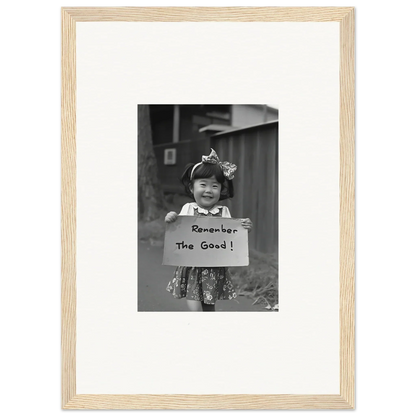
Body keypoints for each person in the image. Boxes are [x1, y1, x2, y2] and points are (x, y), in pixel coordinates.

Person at [165, 148, 252, 312]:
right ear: (192, 188)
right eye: (203, 184)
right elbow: (178, 229)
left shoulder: (223, 212)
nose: (208, 190)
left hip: (214, 266)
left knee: (209, 304)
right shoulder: (188, 208)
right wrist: (171, 218)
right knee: (195, 303)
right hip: (192, 265)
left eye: (215, 186)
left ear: (221, 189)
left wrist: (245, 228)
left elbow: (232, 237)